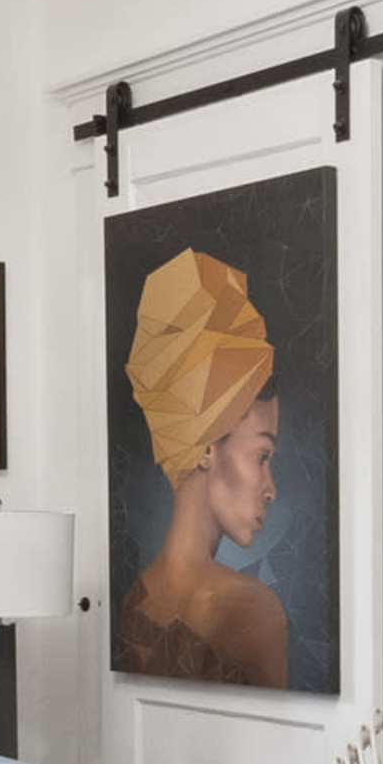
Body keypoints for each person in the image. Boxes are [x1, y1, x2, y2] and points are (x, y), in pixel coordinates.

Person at [117, 246, 291, 687]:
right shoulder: (252, 611)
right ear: (207, 448)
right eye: (263, 456)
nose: (271, 489)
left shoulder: (134, 599)